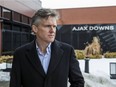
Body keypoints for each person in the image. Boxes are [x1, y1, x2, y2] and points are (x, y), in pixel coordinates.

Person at [10, 8, 84, 87]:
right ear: (35, 29)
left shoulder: (67, 51)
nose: (52, 30)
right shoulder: (20, 54)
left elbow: (78, 82)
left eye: (54, 26)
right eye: (48, 26)